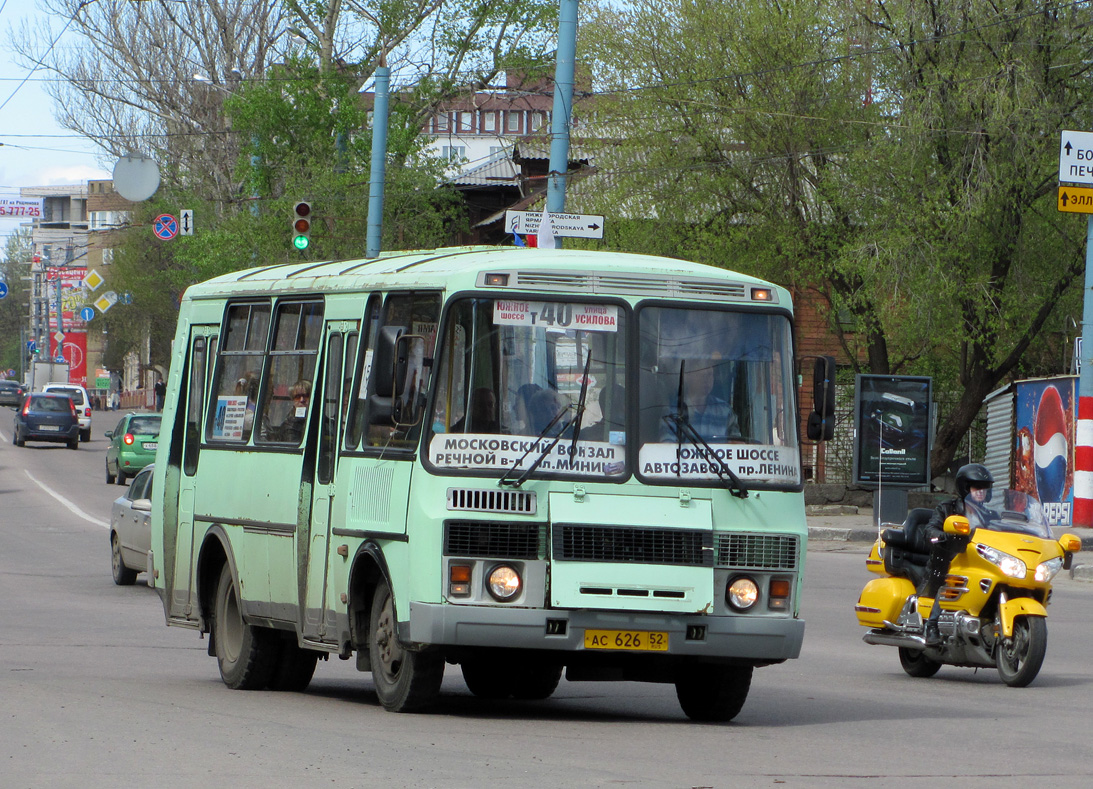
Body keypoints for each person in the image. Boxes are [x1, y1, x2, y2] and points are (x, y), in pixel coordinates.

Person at [920, 463, 994, 646]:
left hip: (978, 560)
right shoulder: (947, 509)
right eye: (977, 488)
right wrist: (944, 536)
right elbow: (930, 530)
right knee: (949, 582)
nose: (980, 492)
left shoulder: (991, 515)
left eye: (984, 488)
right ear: (965, 488)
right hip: (948, 560)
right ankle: (932, 625)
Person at [661, 359, 739, 442]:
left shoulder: (725, 411)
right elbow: (667, 448)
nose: (706, 380)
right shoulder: (672, 412)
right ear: (687, 377)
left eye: (709, 375)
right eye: (701, 375)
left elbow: (737, 447)